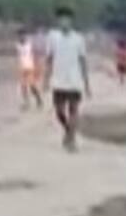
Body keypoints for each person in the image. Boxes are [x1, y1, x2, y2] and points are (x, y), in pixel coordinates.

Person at [43, 8, 91, 151]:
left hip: (75, 80)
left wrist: (86, 83)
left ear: (71, 21)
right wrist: (45, 79)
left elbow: (83, 61)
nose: (64, 22)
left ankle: (71, 139)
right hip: (58, 80)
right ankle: (68, 131)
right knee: (59, 111)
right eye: (62, 19)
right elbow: (49, 59)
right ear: (58, 21)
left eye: (67, 19)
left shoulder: (79, 39)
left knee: (74, 110)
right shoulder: (52, 37)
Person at [15, 31, 43, 109]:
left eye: (22, 35)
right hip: (22, 68)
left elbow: (36, 56)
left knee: (32, 86)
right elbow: (19, 56)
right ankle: (26, 103)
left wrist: (37, 68)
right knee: (23, 86)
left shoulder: (30, 45)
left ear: (25, 36)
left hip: (30, 67)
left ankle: (38, 99)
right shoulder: (17, 45)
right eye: (19, 36)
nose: (21, 37)